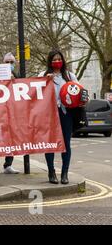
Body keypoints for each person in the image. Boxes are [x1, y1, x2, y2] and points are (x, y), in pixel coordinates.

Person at [39, 50, 84, 185]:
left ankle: (64, 173)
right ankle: (51, 172)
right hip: (49, 113)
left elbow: (80, 91)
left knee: (66, 144)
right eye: (54, 59)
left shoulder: (70, 76)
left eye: (59, 59)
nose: (57, 62)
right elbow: (36, 93)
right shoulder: (43, 75)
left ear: (63, 61)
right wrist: (46, 80)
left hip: (66, 113)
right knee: (50, 144)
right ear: (49, 61)